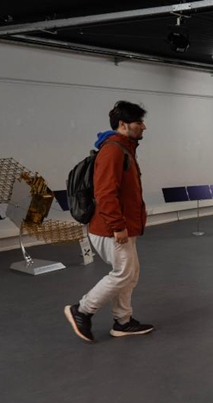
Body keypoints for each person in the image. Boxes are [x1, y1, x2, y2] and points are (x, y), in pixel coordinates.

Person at [64, 101, 154, 342]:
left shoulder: (124, 149)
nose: (143, 127)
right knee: (123, 273)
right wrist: (118, 226)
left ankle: (123, 321)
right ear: (123, 124)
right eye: (139, 122)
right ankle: (82, 310)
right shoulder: (113, 150)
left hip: (123, 226)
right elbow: (105, 193)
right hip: (110, 228)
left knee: (130, 274)